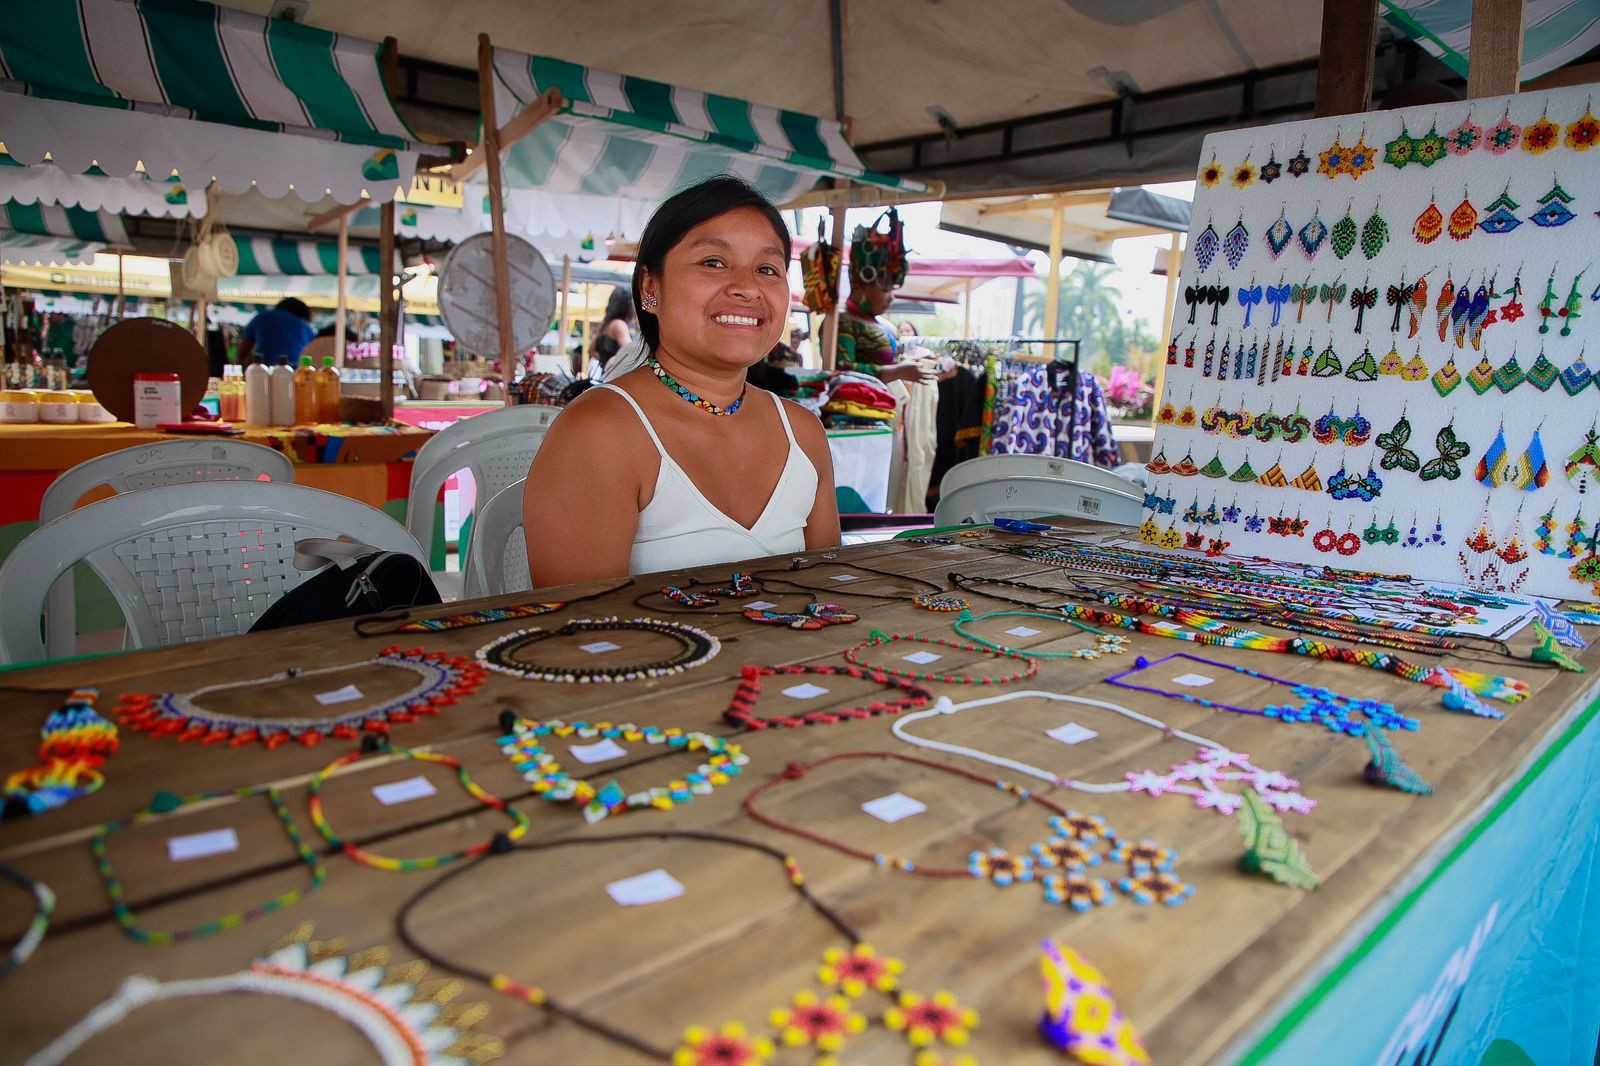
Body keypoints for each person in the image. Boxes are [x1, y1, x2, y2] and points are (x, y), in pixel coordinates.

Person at [523, 177, 840, 584]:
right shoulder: (600, 432)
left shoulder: (803, 434)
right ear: (650, 287)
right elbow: (584, 619)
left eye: (767, 269)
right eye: (713, 262)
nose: (747, 288)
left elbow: (832, 592)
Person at [837, 210, 935, 385]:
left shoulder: (879, 323)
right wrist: (897, 371)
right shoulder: (841, 322)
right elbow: (840, 369)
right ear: (864, 284)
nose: (891, 297)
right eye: (886, 288)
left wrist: (908, 363)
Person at [237, 298, 315, 367]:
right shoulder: (306, 326)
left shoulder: (262, 317)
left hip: (263, 369)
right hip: (293, 370)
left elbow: (242, 353)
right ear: (303, 313)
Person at [589, 288, 637, 374]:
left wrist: (605, 361)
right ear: (627, 306)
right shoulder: (619, 325)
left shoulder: (604, 326)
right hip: (618, 376)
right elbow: (630, 351)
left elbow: (591, 351)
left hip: (606, 376)